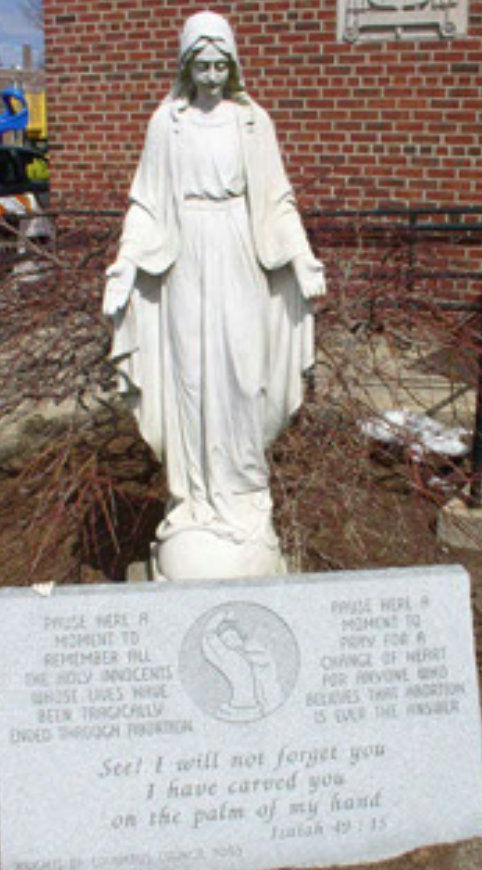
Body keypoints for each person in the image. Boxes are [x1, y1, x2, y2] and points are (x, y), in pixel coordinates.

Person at [103, 11, 325, 580]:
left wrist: (300, 256)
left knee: (243, 376)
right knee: (192, 378)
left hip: (240, 253)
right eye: (200, 65)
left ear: (233, 65)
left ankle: (246, 500)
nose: (210, 75)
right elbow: (147, 202)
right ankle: (195, 503)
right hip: (184, 260)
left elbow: (277, 199)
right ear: (185, 65)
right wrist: (126, 265)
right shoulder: (167, 124)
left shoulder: (252, 122)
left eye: (220, 64)